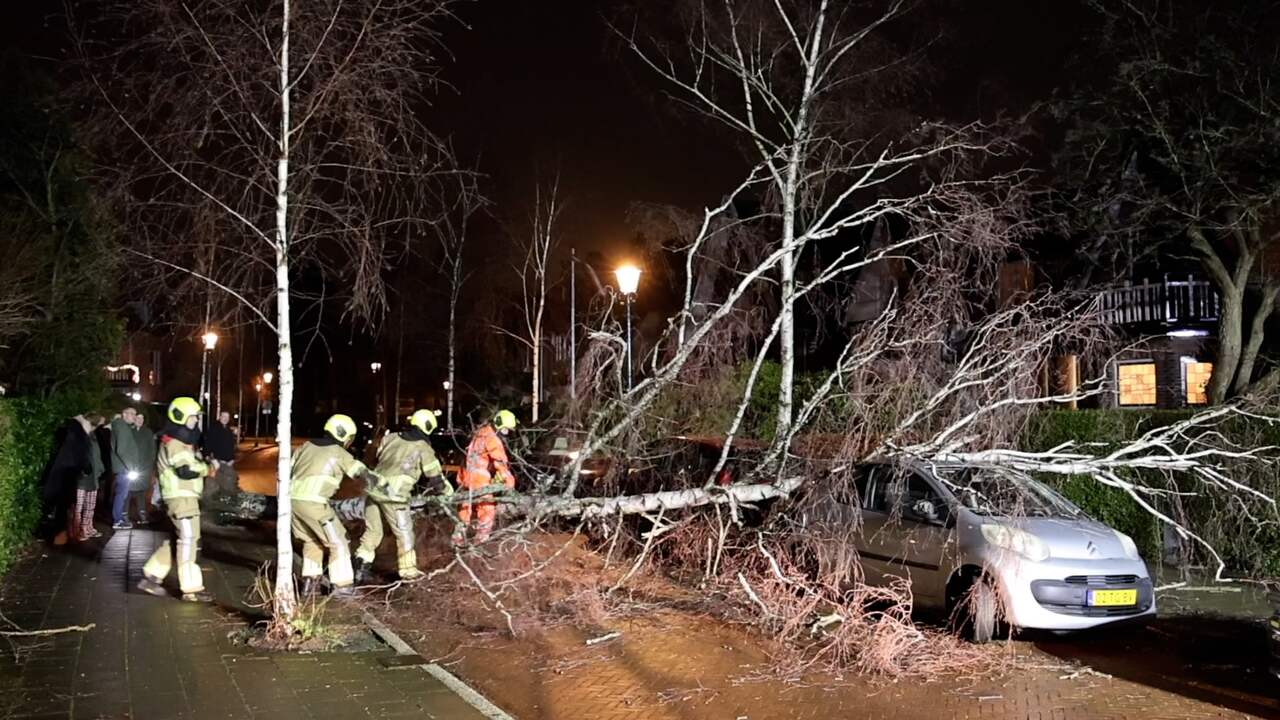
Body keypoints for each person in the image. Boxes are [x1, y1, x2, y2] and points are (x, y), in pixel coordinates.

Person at [137, 397, 218, 603]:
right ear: (181, 417)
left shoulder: (177, 442)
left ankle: (152, 576)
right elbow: (185, 471)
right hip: (182, 499)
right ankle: (191, 589)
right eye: (193, 418)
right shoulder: (175, 443)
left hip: (181, 499)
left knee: (178, 541)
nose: (195, 422)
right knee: (190, 541)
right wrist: (208, 469)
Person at [355, 409, 448, 584]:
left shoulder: (390, 438)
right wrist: (447, 495)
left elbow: (376, 457)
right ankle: (408, 573)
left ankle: (360, 567)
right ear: (428, 427)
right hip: (394, 496)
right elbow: (435, 478)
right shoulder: (423, 447)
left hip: (374, 490)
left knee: (374, 531)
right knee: (404, 534)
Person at [290, 414, 372, 597]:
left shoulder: (305, 446)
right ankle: (342, 587)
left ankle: (310, 584)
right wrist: (384, 488)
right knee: (339, 542)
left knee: (312, 540)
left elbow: (287, 470)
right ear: (345, 435)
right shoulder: (339, 453)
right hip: (316, 505)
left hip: (293, 503)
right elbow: (361, 473)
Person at [452, 410, 518, 546]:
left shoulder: (480, 433)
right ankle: (481, 541)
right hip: (479, 478)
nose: (507, 433)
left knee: (465, 508)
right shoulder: (492, 439)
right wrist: (510, 482)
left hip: (466, 476)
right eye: (506, 430)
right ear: (500, 425)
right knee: (487, 508)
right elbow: (500, 462)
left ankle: (457, 538)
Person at [40, 413, 105, 545]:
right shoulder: (80, 435)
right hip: (66, 477)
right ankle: (57, 537)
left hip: (60, 475)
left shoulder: (71, 429)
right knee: (61, 509)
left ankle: (56, 535)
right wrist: (86, 469)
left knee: (55, 508)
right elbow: (84, 458)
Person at [109, 407, 142, 529]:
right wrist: (130, 467)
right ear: (124, 414)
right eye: (132, 414)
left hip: (123, 467)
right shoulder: (121, 428)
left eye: (135, 414)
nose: (134, 416)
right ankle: (117, 520)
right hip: (124, 468)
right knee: (121, 494)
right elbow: (121, 449)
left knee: (122, 494)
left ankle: (119, 519)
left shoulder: (121, 426)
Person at [202, 410, 239, 502]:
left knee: (228, 481)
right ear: (220, 417)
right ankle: (209, 500)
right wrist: (208, 456)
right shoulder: (214, 428)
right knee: (213, 481)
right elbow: (208, 443)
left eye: (227, 417)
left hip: (228, 462)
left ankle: (225, 499)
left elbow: (231, 445)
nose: (225, 419)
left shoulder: (228, 430)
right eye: (224, 416)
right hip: (217, 461)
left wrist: (232, 458)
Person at [133, 411, 158, 524]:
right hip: (131, 466)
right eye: (138, 418)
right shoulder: (130, 431)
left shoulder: (148, 432)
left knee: (141, 491)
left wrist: (149, 464)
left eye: (142, 419)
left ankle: (142, 514)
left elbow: (152, 450)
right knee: (127, 491)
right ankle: (124, 514)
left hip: (143, 467)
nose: (140, 420)